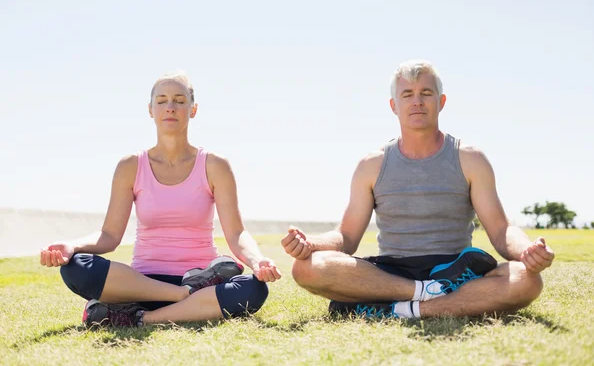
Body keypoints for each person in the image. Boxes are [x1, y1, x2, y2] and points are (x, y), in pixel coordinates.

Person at [281, 60, 554, 319]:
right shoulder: (372, 164)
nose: (417, 101)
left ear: (441, 101)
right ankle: (423, 293)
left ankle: (402, 310)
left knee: (526, 280)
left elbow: (500, 230)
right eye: (407, 94)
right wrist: (311, 244)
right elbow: (347, 237)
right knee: (306, 268)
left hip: (458, 271)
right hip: (391, 273)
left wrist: (526, 251)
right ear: (393, 105)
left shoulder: (470, 159)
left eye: (426, 93)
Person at [40, 71, 281, 327]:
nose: (170, 107)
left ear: (193, 109)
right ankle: (183, 295)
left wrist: (257, 261)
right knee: (75, 267)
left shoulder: (214, 165)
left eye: (179, 100)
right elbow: (109, 235)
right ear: (150, 109)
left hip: (203, 282)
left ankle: (141, 317)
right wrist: (72, 246)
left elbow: (236, 234)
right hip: (145, 284)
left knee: (254, 289)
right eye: (162, 100)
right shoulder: (131, 166)